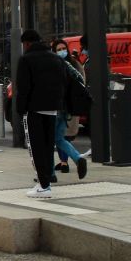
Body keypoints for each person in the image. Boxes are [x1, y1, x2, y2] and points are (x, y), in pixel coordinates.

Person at [16, 29, 67, 198]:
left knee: (36, 148)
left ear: (27, 43)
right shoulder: (55, 58)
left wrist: (20, 108)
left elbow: (23, 87)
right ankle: (46, 183)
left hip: (34, 109)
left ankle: (43, 185)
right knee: (47, 146)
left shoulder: (26, 60)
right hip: (52, 108)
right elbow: (63, 82)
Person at [52, 39, 89, 180]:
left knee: (50, 140)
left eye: (63, 48)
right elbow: (80, 79)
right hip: (66, 108)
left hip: (59, 108)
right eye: (58, 49)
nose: (62, 51)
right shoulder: (71, 64)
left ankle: (50, 174)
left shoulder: (60, 64)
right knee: (60, 139)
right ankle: (77, 158)